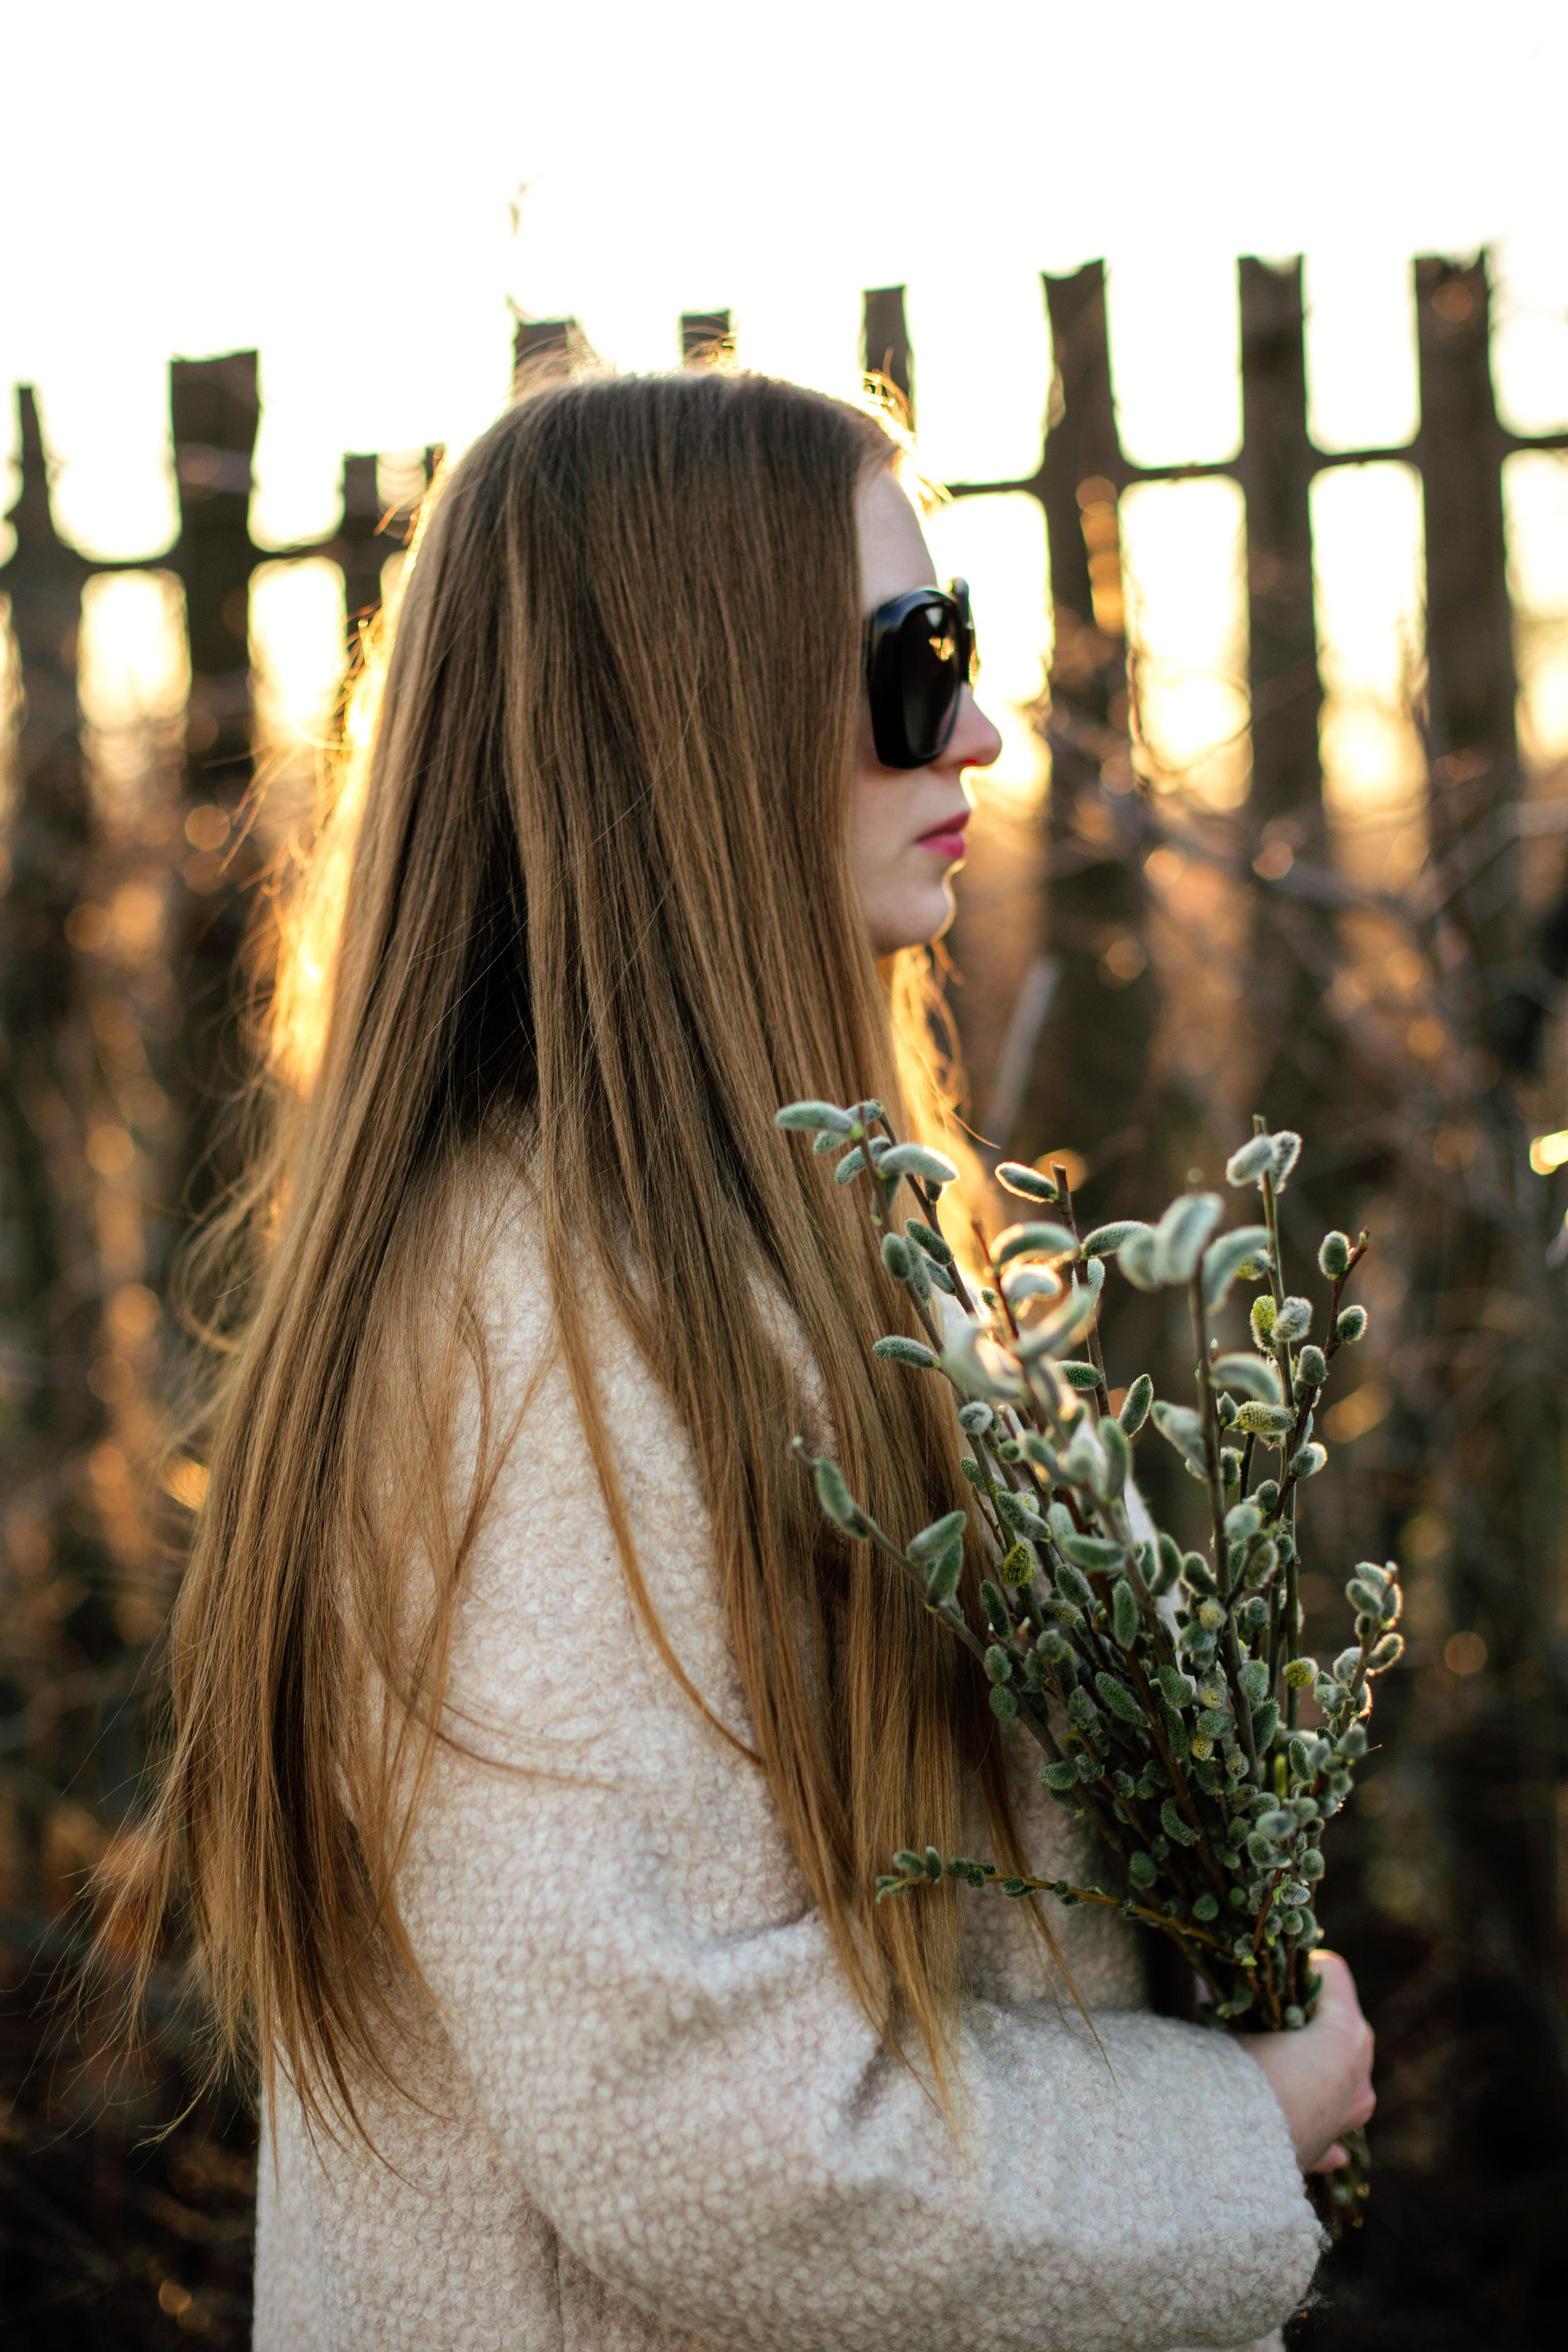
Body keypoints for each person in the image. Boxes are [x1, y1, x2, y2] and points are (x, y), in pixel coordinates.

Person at [117, 368, 1374, 2351]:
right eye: (911, 662)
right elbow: (698, 2115)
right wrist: (1225, 2134)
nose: (975, 723)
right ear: (693, 728)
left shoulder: (772, 1235)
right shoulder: (537, 1318)